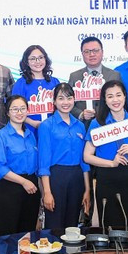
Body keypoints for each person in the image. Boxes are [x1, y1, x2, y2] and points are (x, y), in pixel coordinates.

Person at [83, 80, 128, 231]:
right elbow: (87, 156)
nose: (115, 100)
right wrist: (111, 163)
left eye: (119, 95)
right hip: (106, 179)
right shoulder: (97, 123)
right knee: (108, 227)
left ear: (125, 96)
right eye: (110, 96)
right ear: (104, 100)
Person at [38, 83, 91, 230]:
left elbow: (84, 161)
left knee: (73, 225)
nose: (65, 102)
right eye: (61, 98)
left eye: (69, 98)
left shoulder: (80, 126)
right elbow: (43, 163)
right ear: (54, 102)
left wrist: (87, 190)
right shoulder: (47, 126)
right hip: (56, 177)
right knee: (54, 224)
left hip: (77, 177)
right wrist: (47, 192)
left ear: (74, 100)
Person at [0, 95, 41, 235]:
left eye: (22, 109)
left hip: (32, 187)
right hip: (9, 188)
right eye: (15, 109)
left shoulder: (31, 135)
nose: (19, 113)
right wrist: (23, 182)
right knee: (9, 235)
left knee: (28, 234)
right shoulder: (1, 136)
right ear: (7, 112)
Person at [69, 37, 122, 127]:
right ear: (82, 54)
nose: (92, 54)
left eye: (95, 50)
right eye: (87, 51)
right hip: (83, 127)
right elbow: (68, 103)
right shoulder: (75, 77)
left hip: (110, 126)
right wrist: (81, 114)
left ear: (102, 52)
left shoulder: (114, 75)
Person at [12, 44, 59, 132]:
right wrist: (33, 123)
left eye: (41, 57)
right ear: (26, 62)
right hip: (29, 131)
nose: (38, 61)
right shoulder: (20, 84)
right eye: (33, 59)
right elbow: (15, 111)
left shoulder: (55, 82)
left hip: (53, 131)